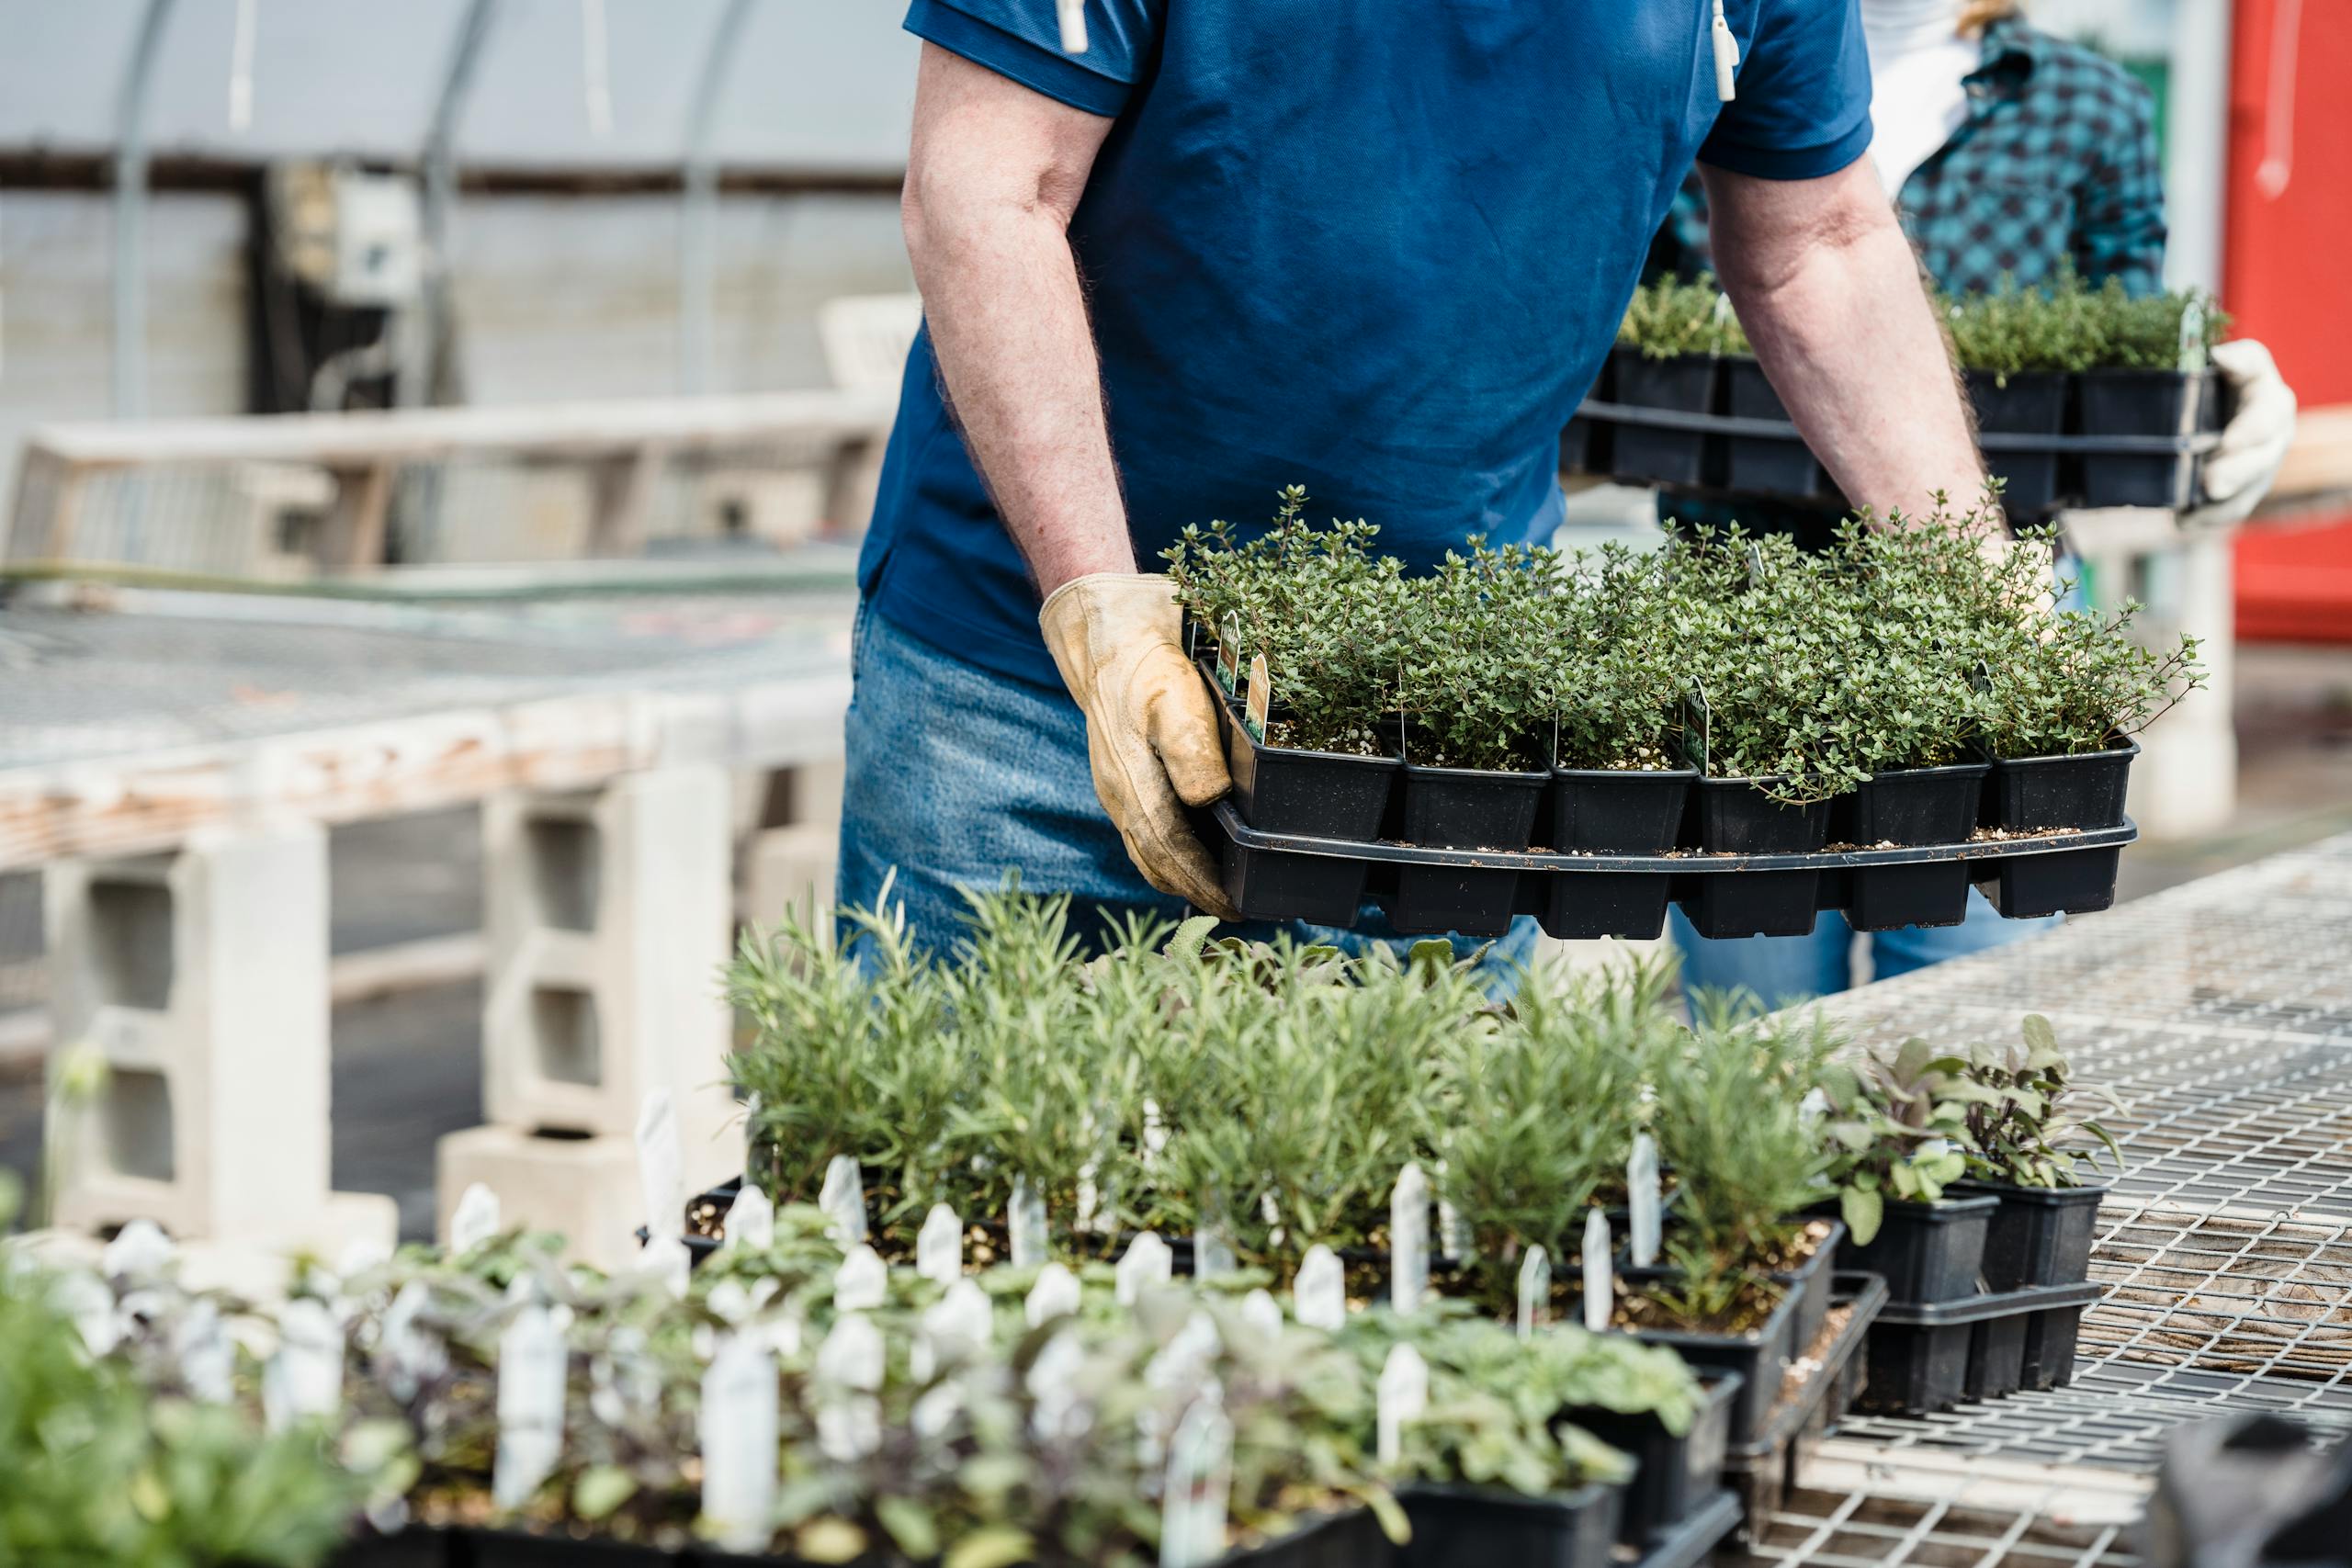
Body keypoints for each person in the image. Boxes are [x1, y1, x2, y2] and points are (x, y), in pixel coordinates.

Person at [841, 0, 2018, 958]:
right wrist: (1101, 607)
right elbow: (989, 194)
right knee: (971, 1201)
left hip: (1440, 738)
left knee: (1401, 1226)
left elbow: (1821, 240)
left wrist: (1980, 575)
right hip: (1023, 699)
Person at [1653, 0, 2299, 1001]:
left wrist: (2208, 375)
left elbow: (2114, 329)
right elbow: (1632, 313)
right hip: (1741, 612)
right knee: (1756, 1021)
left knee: (1964, 1024)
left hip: (1995, 610)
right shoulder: (1708, 70)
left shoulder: (2084, 100)